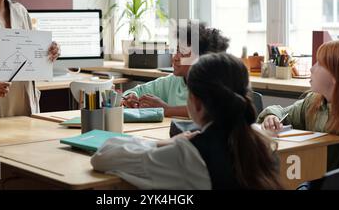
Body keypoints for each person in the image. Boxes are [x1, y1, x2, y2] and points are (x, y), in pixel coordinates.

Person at [91, 52, 282, 189]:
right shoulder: (262, 143)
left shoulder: (189, 154)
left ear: (196, 103)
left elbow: (103, 157)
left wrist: (163, 143)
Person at [258, 40, 339, 170]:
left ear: (337, 75)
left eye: (320, 64)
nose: (312, 68)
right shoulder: (313, 101)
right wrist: (271, 117)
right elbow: (283, 113)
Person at [121, 21, 230, 117]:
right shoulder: (173, 81)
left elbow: (212, 110)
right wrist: (131, 97)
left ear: (202, 59)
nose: (175, 57)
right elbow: (136, 91)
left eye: (183, 53)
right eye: (177, 50)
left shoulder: (215, 84)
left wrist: (168, 110)